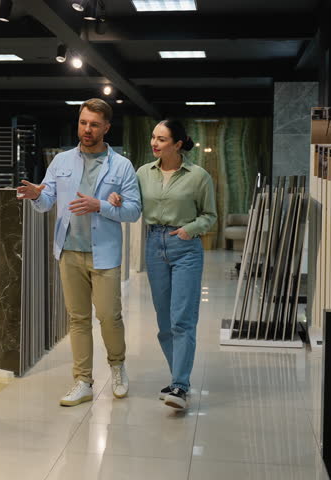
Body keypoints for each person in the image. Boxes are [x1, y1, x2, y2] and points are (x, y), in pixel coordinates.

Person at [17, 98, 142, 407]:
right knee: (78, 319)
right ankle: (83, 380)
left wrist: (99, 205)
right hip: (69, 252)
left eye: (94, 124)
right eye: (84, 122)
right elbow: (47, 200)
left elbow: (134, 210)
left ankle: (117, 367)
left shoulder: (122, 165)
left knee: (109, 316)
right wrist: (36, 195)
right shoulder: (61, 161)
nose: (87, 129)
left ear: (106, 128)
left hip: (104, 254)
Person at [110, 119, 216, 410]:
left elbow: (210, 216)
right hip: (154, 245)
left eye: (162, 139)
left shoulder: (198, 176)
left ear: (178, 144)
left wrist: (189, 229)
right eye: (153, 138)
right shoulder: (144, 173)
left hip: (185, 248)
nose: (154, 143)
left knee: (182, 319)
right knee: (164, 323)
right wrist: (118, 198)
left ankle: (180, 385)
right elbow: (133, 203)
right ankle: (178, 378)